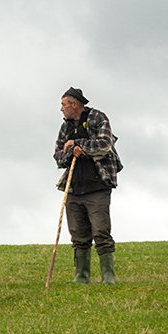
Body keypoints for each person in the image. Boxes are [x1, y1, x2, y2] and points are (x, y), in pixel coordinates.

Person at [54, 87, 123, 283]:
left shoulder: (97, 118)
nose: (61, 109)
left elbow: (104, 144)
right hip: (73, 187)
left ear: (74, 104)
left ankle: (108, 276)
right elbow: (57, 156)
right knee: (78, 233)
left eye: (63, 105)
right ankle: (81, 276)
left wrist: (78, 145)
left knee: (101, 231)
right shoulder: (65, 127)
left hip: (97, 186)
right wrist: (69, 151)